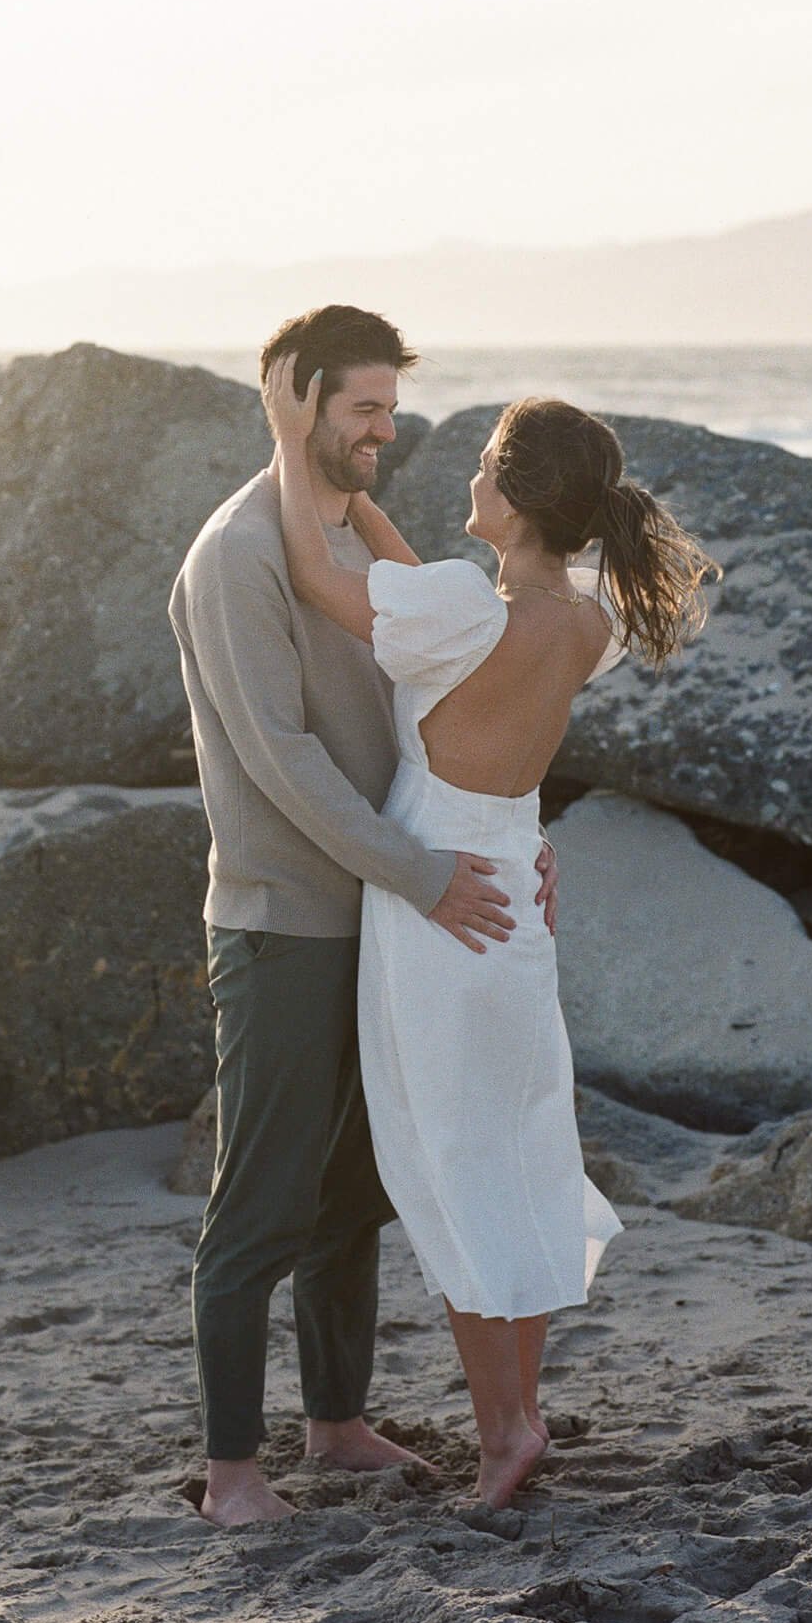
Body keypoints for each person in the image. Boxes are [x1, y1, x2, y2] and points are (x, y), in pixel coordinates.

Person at [266, 362, 718, 1507]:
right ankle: (521, 1413)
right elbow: (444, 620)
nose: (463, 474)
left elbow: (329, 584)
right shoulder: (585, 619)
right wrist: (360, 494)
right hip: (513, 868)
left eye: (482, 466)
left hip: (442, 896)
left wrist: (290, 439)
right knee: (513, 1149)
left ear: (513, 502)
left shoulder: (470, 605)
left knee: (454, 1159)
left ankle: (505, 1432)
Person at [168, 305, 560, 1528]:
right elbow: (278, 757)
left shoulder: (336, 532)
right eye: (361, 408)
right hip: (289, 918)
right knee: (265, 1194)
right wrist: (419, 869)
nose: (387, 430)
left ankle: (335, 1420)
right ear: (294, 399)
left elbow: (452, 708)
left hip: (386, 916)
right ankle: (234, 1469)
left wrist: (509, 844)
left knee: (356, 1185)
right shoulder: (238, 552)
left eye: (392, 407)